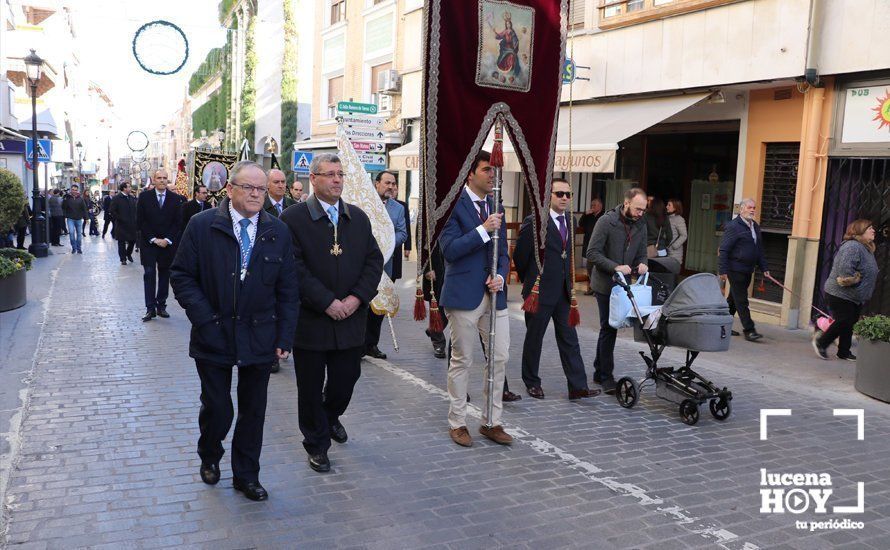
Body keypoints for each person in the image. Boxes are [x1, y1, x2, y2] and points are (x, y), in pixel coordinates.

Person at [171, 160, 299, 502]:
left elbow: (288, 290)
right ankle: (210, 452)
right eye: (249, 187)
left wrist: (284, 338)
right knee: (218, 407)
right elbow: (181, 276)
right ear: (230, 189)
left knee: (253, 411)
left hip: (260, 336)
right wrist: (204, 319)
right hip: (214, 332)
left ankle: (246, 475)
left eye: (262, 188)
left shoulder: (278, 230)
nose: (257, 194)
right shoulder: (202, 226)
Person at [279, 153, 383, 474]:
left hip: (351, 321)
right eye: (329, 174)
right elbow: (294, 268)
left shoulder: (358, 218)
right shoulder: (293, 219)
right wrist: (327, 301)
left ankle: (330, 415)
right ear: (313, 179)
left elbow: (373, 262)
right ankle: (317, 443)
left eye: (340, 174)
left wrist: (355, 299)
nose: (337, 180)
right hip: (312, 322)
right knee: (310, 387)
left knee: (345, 381)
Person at [439, 151, 512, 448]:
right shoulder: (452, 206)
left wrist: (502, 277)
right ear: (470, 174)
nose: (492, 174)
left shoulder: (497, 205)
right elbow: (450, 250)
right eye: (486, 169)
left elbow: (504, 254)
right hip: (463, 295)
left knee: (499, 357)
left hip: (495, 294)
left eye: (494, 169)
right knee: (463, 360)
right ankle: (457, 422)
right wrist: (484, 230)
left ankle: (491, 422)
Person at [514, 179, 601, 400]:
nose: (564, 198)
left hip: (563, 292)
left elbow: (568, 255)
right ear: (548, 196)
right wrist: (530, 283)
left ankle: (577, 385)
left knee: (570, 338)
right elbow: (521, 256)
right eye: (559, 194)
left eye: (568, 195)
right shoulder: (534, 222)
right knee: (535, 338)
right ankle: (532, 382)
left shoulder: (570, 220)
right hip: (538, 292)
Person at [586, 187, 649, 394]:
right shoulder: (606, 221)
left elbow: (641, 252)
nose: (641, 213)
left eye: (644, 210)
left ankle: (598, 370)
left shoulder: (641, 224)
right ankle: (606, 376)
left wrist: (642, 264)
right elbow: (592, 253)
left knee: (609, 327)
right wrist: (615, 266)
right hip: (605, 284)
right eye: (638, 209)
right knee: (609, 327)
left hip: (624, 286)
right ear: (627, 202)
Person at [813, 220, 879, 361]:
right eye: (870, 228)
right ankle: (821, 342)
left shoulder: (866, 248)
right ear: (860, 230)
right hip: (840, 293)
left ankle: (843, 351)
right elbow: (845, 270)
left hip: (854, 295)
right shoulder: (852, 246)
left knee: (850, 322)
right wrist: (857, 283)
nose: (873, 231)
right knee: (844, 320)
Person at [364, 171, 407, 360]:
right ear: (377, 184)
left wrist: (389, 243)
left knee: (379, 308)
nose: (390, 186)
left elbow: (402, 233)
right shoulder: (365, 204)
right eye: (387, 182)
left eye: (393, 183)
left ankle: (371, 344)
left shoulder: (398, 209)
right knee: (363, 305)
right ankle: (357, 345)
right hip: (364, 264)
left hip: (386, 266)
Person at [718, 198, 769, 342]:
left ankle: (721, 326)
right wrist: (723, 270)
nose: (752, 210)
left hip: (748, 269)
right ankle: (749, 330)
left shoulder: (755, 226)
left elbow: (759, 249)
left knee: (734, 300)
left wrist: (764, 267)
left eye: (754, 207)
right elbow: (724, 249)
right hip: (735, 269)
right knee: (742, 300)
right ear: (741, 209)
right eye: (749, 207)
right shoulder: (734, 226)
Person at [136, 169, 183, 322]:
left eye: (165, 178)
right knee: (149, 274)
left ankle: (161, 306)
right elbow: (141, 221)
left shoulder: (176, 199)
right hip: (149, 243)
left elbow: (178, 223)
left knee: (165, 275)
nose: (162, 180)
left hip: (167, 245)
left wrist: (167, 239)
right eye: (159, 178)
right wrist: (153, 239)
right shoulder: (144, 197)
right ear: (154, 180)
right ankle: (150, 308)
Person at [422, 244, 448, 358]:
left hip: (452, 266)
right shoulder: (427, 224)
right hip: (435, 267)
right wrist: (427, 269)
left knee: (449, 309)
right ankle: (438, 342)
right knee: (436, 307)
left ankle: (433, 329)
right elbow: (421, 243)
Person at [579, 198, 604, 295]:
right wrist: (585, 214)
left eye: (594, 205)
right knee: (589, 268)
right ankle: (592, 288)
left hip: (599, 247)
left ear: (600, 206)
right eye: (591, 205)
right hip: (589, 245)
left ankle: (596, 289)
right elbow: (580, 223)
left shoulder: (603, 216)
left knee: (597, 269)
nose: (592, 207)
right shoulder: (588, 216)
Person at [109, 182, 138, 265]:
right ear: (124, 188)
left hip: (132, 224)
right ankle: (123, 259)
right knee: (121, 242)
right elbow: (112, 211)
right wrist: (120, 218)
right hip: (121, 225)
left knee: (132, 241)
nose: (130, 188)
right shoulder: (117, 198)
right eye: (129, 187)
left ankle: (128, 254)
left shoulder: (132, 198)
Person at [62, 184, 89, 254]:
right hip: (70, 218)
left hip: (78, 219)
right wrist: (65, 198)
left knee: (79, 234)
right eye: (73, 190)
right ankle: (74, 248)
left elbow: (84, 209)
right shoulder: (67, 198)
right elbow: (63, 207)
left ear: (77, 191)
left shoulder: (80, 198)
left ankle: (79, 248)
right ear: (71, 190)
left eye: (75, 190)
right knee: (71, 233)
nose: (74, 191)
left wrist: (86, 218)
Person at [666, 198, 687, 266]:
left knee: (672, 274)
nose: (667, 206)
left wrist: (674, 246)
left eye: (669, 205)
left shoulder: (679, 219)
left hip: (675, 253)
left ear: (675, 208)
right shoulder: (667, 218)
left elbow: (684, 235)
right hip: (665, 251)